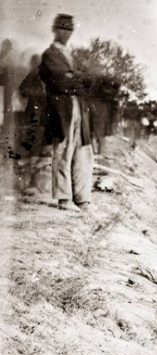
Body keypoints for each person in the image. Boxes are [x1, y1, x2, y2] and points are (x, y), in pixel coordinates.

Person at [38, 14, 93, 211]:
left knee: (82, 152)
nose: (66, 33)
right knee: (63, 151)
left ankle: (82, 198)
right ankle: (64, 198)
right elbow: (59, 81)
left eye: (69, 29)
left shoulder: (71, 56)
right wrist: (74, 80)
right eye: (62, 28)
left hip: (77, 107)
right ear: (55, 30)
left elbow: (86, 81)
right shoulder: (49, 55)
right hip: (62, 109)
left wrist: (73, 78)